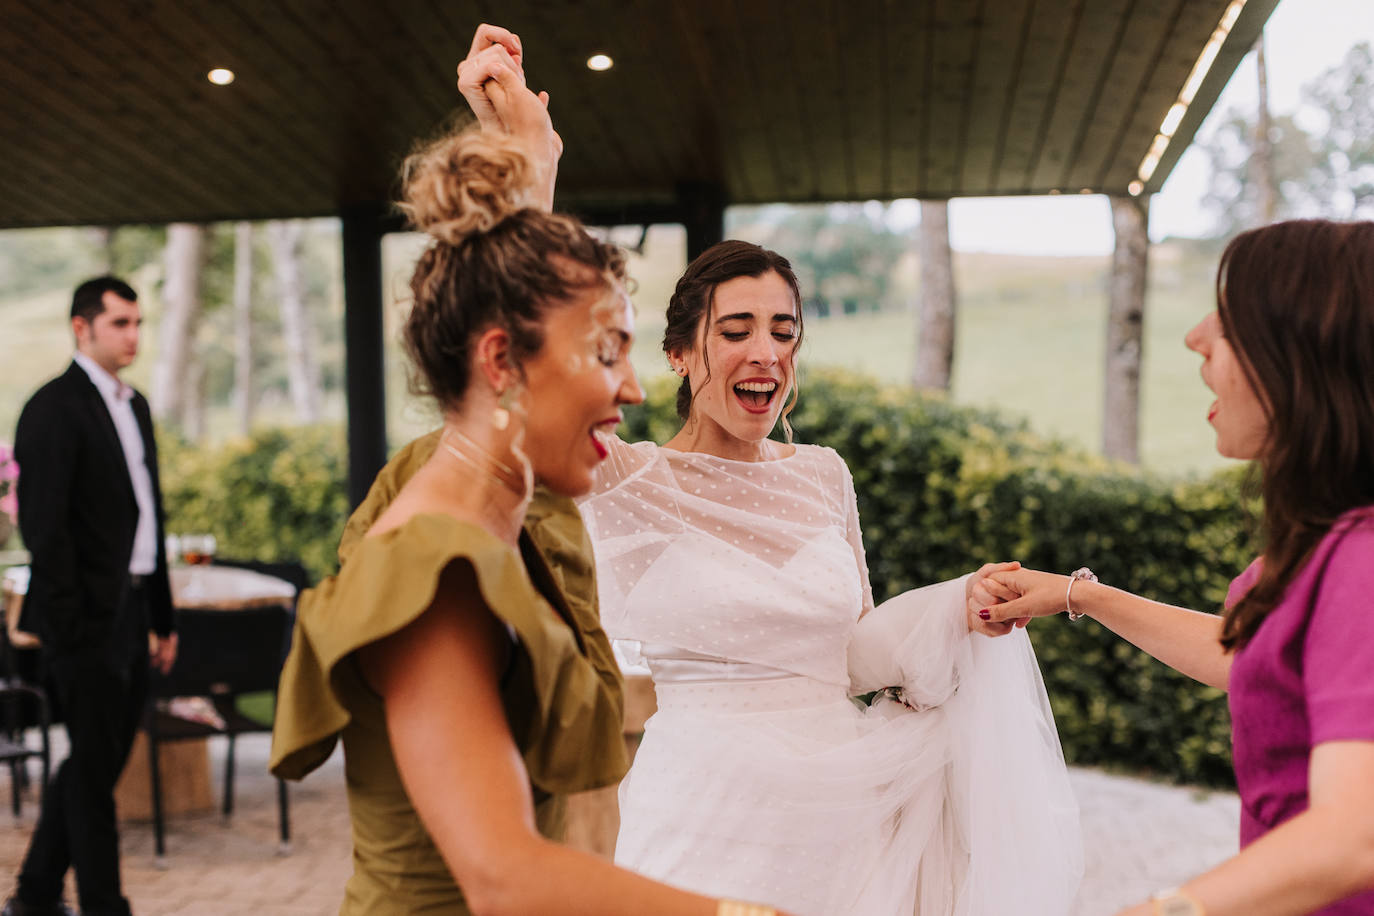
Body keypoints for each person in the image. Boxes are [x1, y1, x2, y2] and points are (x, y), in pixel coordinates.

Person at [458, 29, 1082, 916]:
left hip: (840, 816)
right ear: (680, 352)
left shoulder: (823, 474)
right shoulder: (629, 480)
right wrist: (532, 162)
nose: (765, 351)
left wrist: (955, 604)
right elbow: (529, 369)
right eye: (737, 328)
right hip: (702, 813)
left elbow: (856, 650)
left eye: (784, 331)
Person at [269, 27, 796, 916]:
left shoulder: (513, 506)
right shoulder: (429, 566)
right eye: (605, 352)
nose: (632, 387)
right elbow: (505, 874)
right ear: (503, 362)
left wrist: (534, 162)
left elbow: (504, 334)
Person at [974, 219, 1374, 916]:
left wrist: (1160, 911)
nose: (1195, 335)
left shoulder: (1362, 558)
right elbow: (1247, 657)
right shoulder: (1327, 545)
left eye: (1232, 321)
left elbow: (1353, 836)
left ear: (1303, 356)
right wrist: (1077, 596)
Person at [6, 277, 178, 916]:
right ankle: (105, 904)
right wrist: (76, 625)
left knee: (94, 764)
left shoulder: (135, 407)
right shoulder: (50, 409)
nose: (133, 335)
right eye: (120, 323)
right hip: (84, 623)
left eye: (137, 323)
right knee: (94, 773)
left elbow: (150, 517)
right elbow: (45, 530)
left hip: (134, 613)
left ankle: (35, 894)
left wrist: (162, 616)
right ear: (83, 328)